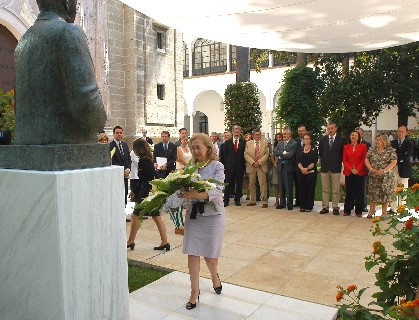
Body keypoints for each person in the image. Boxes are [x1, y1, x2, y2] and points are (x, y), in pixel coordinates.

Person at [14, 0, 106, 145]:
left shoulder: (23, 42)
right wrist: (101, 121)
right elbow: (88, 104)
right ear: (66, 2)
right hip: (68, 146)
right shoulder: (69, 31)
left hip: (28, 146)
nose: (75, 7)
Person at [180, 133, 225, 310]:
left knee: (210, 256)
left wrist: (194, 194)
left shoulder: (217, 166)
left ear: (208, 147)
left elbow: (217, 190)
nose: (195, 151)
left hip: (213, 217)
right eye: (193, 148)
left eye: (198, 147)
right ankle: (194, 291)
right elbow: (183, 188)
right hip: (194, 216)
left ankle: (215, 277)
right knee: (192, 252)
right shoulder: (190, 166)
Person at [127, 138, 169, 251]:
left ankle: (131, 241)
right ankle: (164, 242)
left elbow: (152, 176)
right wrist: (134, 190)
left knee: (136, 216)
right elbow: (143, 179)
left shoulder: (144, 160)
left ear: (138, 148)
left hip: (147, 194)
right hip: (147, 192)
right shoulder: (145, 159)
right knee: (155, 216)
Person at [365, 134, 397, 218]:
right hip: (374, 175)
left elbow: (394, 161)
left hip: (386, 177)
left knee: (384, 195)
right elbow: (366, 159)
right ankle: (371, 211)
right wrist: (371, 169)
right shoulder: (372, 149)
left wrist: (385, 170)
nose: (376, 141)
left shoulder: (390, 150)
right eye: (376, 139)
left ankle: (384, 213)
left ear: (384, 141)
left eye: (378, 139)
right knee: (373, 194)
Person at [318, 122, 345, 215]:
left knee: (336, 189)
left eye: (332, 128)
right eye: (328, 129)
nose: (330, 130)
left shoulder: (341, 140)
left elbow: (343, 153)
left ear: (335, 128)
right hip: (325, 167)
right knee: (325, 189)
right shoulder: (323, 139)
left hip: (336, 167)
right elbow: (321, 152)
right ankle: (325, 207)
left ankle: (335, 207)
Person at [342, 131, 368, 217]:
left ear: (358, 137)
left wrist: (357, 169)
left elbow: (364, 159)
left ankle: (358, 211)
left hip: (359, 172)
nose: (353, 137)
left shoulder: (363, 146)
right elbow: (344, 160)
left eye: (355, 135)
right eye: (352, 135)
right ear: (350, 137)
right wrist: (351, 169)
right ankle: (347, 210)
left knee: (359, 191)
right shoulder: (346, 147)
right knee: (349, 191)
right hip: (349, 172)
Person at [110, 126, 132, 220]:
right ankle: (116, 215)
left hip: (125, 175)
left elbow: (128, 159)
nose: (119, 134)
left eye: (120, 132)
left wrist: (128, 170)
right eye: (117, 132)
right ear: (113, 134)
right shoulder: (110, 146)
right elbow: (112, 161)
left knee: (125, 193)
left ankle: (123, 212)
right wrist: (121, 172)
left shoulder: (125, 145)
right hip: (116, 175)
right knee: (117, 194)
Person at [244, 129, 270, 208]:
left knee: (262, 184)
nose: (258, 136)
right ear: (253, 135)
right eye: (256, 135)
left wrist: (259, 162)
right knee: (251, 184)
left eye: (259, 134)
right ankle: (253, 201)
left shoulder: (265, 143)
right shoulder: (248, 143)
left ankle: (264, 201)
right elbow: (246, 154)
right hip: (251, 166)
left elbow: (267, 154)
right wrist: (252, 162)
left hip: (261, 166)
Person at [274, 128, 298, 210]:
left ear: (290, 135)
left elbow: (291, 155)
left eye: (285, 134)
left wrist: (280, 155)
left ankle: (289, 204)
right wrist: (284, 153)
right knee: (281, 185)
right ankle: (282, 203)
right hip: (280, 167)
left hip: (289, 167)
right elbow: (275, 152)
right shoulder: (280, 143)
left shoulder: (294, 143)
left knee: (288, 186)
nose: (283, 135)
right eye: (283, 134)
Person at [390, 125, 414, 209]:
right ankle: (393, 208)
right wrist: (400, 156)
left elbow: (407, 156)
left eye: (402, 132)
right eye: (399, 131)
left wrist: (397, 156)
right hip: (393, 167)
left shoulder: (409, 143)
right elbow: (391, 155)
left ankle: (402, 208)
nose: (400, 133)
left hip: (404, 169)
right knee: (393, 187)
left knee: (403, 188)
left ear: (406, 133)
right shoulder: (392, 143)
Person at [223, 126, 246, 207]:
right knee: (228, 184)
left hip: (240, 167)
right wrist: (225, 166)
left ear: (240, 132)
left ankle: (237, 199)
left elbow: (245, 155)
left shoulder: (244, 142)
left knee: (239, 184)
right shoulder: (227, 143)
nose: (236, 134)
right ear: (232, 132)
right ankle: (226, 200)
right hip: (229, 167)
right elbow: (225, 156)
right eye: (235, 132)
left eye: (238, 132)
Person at [296, 132, 318, 212]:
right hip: (301, 172)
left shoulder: (314, 149)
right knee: (301, 189)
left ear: (310, 140)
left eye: (307, 139)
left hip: (311, 173)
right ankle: (302, 206)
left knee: (310, 189)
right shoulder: (300, 149)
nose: (306, 140)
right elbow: (298, 161)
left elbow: (314, 162)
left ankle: (309, 206)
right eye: (304, 139)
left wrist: (307, 169)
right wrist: (302, 168)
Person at [355, 127, 371, 212]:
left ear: (362, 134)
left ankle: (363, 205)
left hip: (363, 170)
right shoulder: (351, 144)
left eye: (359, 133)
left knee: (362, 188)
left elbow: (368, 157)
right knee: (354, 188)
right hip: (353, 170)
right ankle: (355, 204)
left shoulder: (367, 144)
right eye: (356, 133)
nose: (357, 135)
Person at [293, 125, 307, 207]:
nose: (301, 132)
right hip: (297, 167)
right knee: (297, 185)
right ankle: (298, 201)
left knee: (306, 185)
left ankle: (305, 201)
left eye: (302, 131)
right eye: (299, 131)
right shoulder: (296, 141)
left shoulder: (310, 141)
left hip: (308, 167)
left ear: (305, 131)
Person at [270, 132, 283, 207]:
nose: (278, 139)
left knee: (283, 183)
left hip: (282, 166)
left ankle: (283, 199)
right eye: (277, 137)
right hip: (275, 166)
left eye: (280, 137)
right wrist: (274, 163)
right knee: (276, 183)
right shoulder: (274, 146)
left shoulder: (284, 145)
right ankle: (277, 200)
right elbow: (272, 155)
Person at [243, 133, 253, 200]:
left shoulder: (252, 146)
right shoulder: (242, 145)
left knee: (250, 180)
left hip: (250, 164)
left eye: (250, 137)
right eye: (247, 137)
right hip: (243, 164)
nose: (248, 138)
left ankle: (249, 194)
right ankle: (247, 193)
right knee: (246, 180)